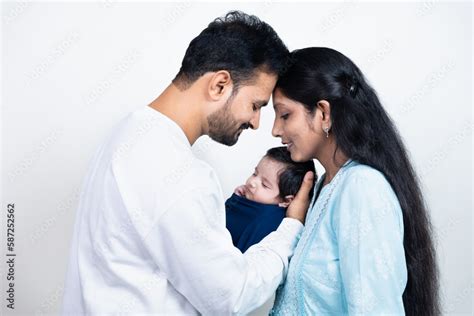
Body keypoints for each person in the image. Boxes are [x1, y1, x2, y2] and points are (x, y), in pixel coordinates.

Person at [61, 11, 314, 315]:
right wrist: (291, 227)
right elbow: (231, 297)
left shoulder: (125, 132)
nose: (256, 122)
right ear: (220, 84)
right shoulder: (177, 172)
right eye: (256, 105)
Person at [269, 47, 439, 315]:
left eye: (285, 115)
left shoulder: (362, 188)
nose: (275, 130)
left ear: (323, 113)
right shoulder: (325, 186)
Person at [226, 146, 316, 252]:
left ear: (286, 201)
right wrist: (237, 200)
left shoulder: (268, 224)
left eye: (264, 185)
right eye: (255, 174)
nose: (252, 182)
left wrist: (236, 203)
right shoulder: (252, 202)